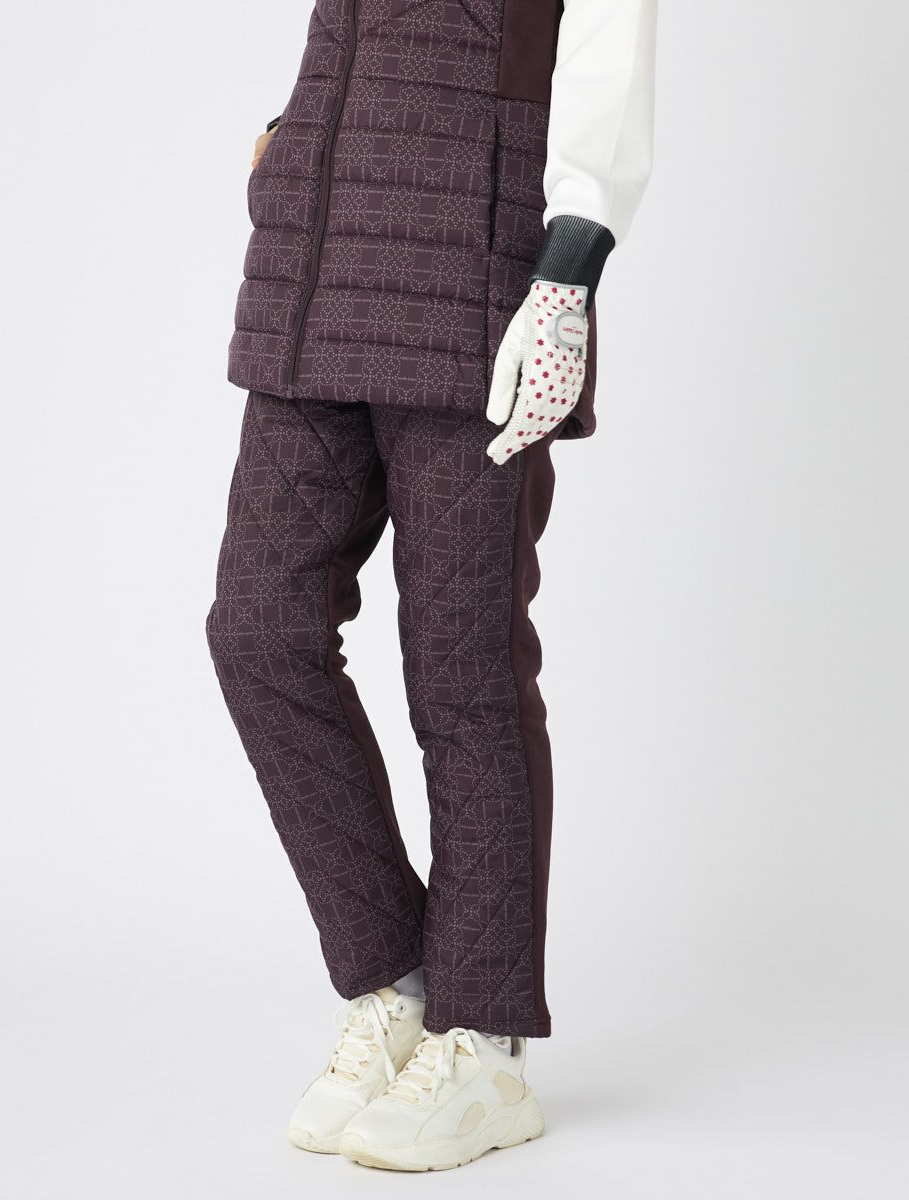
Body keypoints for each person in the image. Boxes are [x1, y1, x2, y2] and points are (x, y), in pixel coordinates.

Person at [207, 0, 657, 1172]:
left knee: (462, 669)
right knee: (258, 630)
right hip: (317, 255)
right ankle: (400, 982)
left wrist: (570, 273)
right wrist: (289, 133)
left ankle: (486, 1043)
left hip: (476, 265)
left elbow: (608, 40)